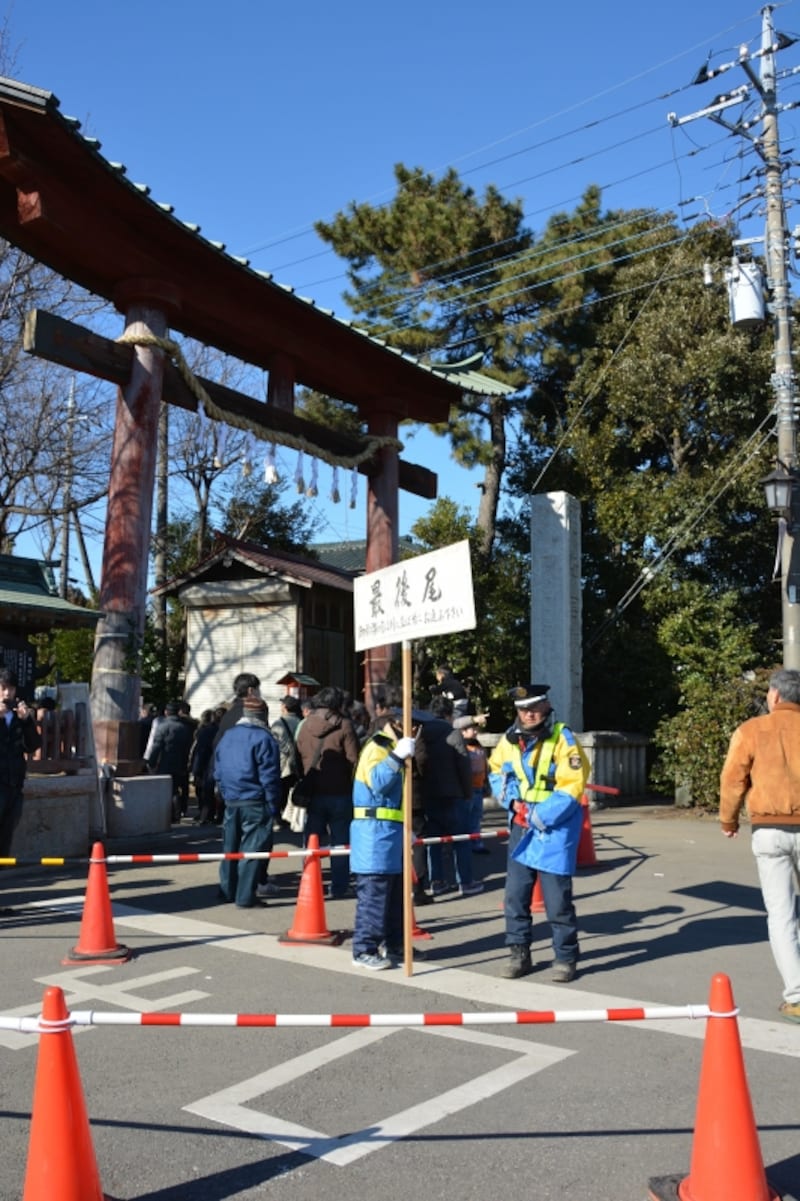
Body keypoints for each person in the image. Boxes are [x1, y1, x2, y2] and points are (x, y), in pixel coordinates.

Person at [488, 683, 588, 982]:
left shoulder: (563, 738)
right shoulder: (509, 739)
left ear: (546, 706)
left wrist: (538, 814)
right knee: (515, 896)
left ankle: (565, 958)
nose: (528, 714)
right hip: (521, 823)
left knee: (557, 900)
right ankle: (518, 953)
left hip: (554, 828)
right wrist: (511, 801)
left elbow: (572, 784)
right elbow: (497, 772)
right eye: (522, 709)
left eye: (533, 708)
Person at [719, 667, 800, 1024]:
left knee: (782, 916)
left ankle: (796, 996)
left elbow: (733, 777)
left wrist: (729, 820)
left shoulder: (752, 730)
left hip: (768, 830)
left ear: (775, 696)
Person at [350, 710, 416, 969]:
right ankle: (364, 949)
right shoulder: (377, 748)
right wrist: (396, 756)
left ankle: (396, 945)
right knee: (374, 896)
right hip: (374, 833)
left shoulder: (388, 748)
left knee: (395, 897)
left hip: (389, 832)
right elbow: (378, 782)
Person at [214, 694, 281, 908]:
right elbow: (269, 776)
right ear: (263, 715)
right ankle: (245, 896)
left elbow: (218, 768)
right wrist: (273, 804)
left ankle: (227, 890)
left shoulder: (228, 735)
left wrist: (224, 792)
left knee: (230, 848)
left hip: (231, 799)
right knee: (252, 850)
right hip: (255, 799)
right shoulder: (264, 738)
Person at [296, 685, 359, 899]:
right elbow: (354, 760)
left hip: (313, 790)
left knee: (312, 839)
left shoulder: (305, 725)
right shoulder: (345, 726)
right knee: (340, 842)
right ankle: (339, 886)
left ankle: (309, 882)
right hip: (340, 791)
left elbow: (299, 756)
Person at [417, 695, 482, 897]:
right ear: (448, 714)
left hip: (428, 794)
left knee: (433, 842)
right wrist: (468, 793)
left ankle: (437, 881)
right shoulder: (452, 733)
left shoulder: (421, 733)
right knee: (460, 840)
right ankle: (465, 881)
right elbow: (463, 765)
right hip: (453, 793)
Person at [0, 667, 41, 914]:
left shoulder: (18, 716)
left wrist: (27, 721)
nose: (7, 693)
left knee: (4, 847)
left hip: (14, 786)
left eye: (11, 688)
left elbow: (34, 745)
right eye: (3, 688)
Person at [144, 701, 194, 821]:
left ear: (166, 712)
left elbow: (156, 746)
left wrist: (151, 762)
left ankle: (167, 814)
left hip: (165, 761)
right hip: (180, 762)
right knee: (176, 789)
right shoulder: (184, 728)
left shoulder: (163, 727)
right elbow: (187, 747)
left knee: (167, 789)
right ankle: (177, 813)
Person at [454, 714, 490, 853]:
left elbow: (485, 766)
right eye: (471, 729)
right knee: (465, 818)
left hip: (479, 787)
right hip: (467, 789)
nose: (475, 732)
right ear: (462, 731)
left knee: (476, 817)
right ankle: (465, 844)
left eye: (475, 729)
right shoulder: (462, 747)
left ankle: (476, 842)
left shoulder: (479, 746)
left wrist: (486, 783)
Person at [270, 695, 302, 829]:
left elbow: (275, 743)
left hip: (283, 763)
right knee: (293, 789)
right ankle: (293, 817)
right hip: (297, 763)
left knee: (279, 791)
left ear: (285, 707)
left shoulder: (278, 723)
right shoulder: (301, 722)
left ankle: (278, 817)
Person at [213, 672, 262, 747]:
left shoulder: (228, 714)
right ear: (251, 690)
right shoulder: (252, 714)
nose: (260, 693)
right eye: (258, 689)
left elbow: (216, 743)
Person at [190, 709, 219, 825]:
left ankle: (204, 815)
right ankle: (210, 815)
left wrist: (195, 770)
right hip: (215, 763)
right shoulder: (218, 730)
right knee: (211, 791)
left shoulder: (204, 732)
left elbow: (199, 752)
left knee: (204, 792)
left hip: (205, 765)